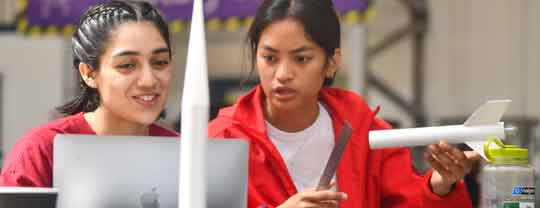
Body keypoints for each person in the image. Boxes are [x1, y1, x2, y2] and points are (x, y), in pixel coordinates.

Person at [208, 0, 480, 207]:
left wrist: (440, 185)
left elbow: (406, 199)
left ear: (332, 62)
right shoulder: (222, 139)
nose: (282, 74)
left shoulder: (365, 130)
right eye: (269, 58)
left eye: (301, 59)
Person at [0, 0, 177, 187]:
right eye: (127, 65)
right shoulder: (43, 150)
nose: (149, 80)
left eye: (160, 62)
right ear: (89, 73)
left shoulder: (185, 153)